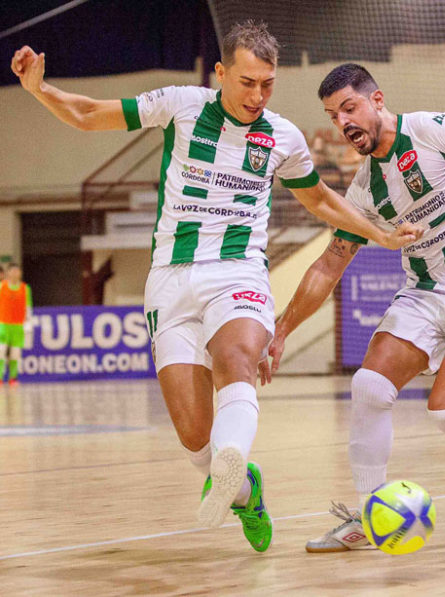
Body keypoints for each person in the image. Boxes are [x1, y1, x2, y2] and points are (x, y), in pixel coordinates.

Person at [11, 22, 421, 553]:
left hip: (238, 271)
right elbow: (90, 115)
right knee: (192, 435)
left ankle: (229, 463)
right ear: (222, 73)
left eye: (267, 84)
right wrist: (39, 90)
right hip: (171, 278)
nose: (257, 95)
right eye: (247, 82)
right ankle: (243, 485)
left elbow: (320, 200)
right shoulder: (181, 105)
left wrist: (379, 234)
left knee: (238, 357)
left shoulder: (282, 136)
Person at [258, 63, 445, 552]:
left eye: (349, 107)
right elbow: (329, 265)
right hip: (422, 293)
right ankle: (371, 517)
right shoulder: (365, 189)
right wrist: (282, 329)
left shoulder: (431, 130)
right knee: (368, 386)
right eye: (333, 116)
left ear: (376, 100)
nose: (343, 123)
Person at [0, 263, 33, 386]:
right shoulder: (1, 286)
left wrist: (28, 323)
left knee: (15, 353)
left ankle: (13, 378)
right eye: (12, 271)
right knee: (0, 351)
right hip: (3, 325)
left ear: (20, 273)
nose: (14, 273)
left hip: (18, 326)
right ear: (7, 273)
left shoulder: (25, 288)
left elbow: (28, 307)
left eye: (17, 271)